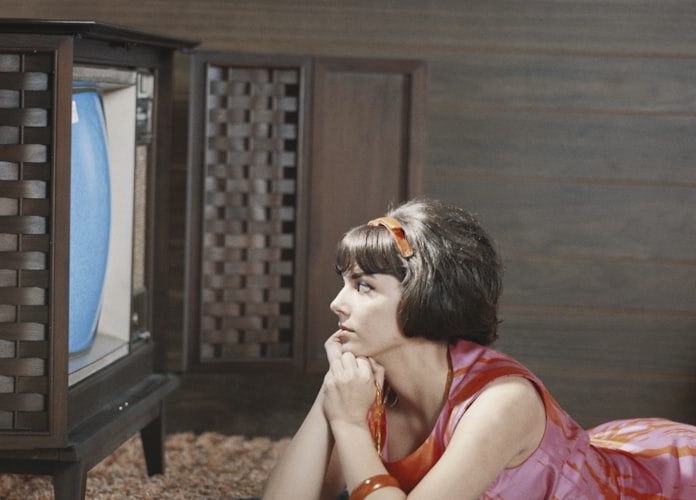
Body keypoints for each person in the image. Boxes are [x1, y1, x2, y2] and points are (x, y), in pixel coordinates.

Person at [262, 197, 696, 499]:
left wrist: (349, 425)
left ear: (426, 294)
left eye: (363, 286)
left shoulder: (503, 403)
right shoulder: (367, 384)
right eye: (344, 283)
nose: (337, 303)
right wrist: (332, 394)